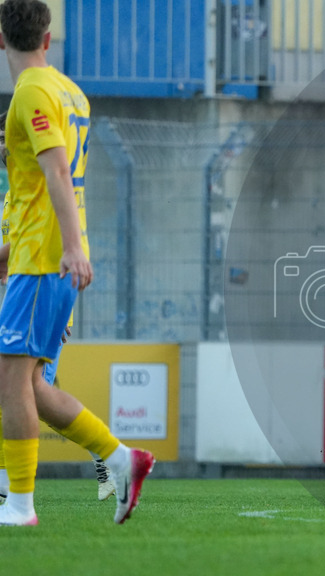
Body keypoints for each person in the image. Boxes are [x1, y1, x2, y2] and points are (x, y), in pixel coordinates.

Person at [0, 0, 153, 526]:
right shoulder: (71, 91)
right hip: (39, 256)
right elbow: (40, 189)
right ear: (48, 38)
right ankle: (120, 458)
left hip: (47, 260)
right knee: (33, 387)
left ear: (1, 41)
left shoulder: (33, 92)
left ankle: (18, 506)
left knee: (11, 377)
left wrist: (70, 249)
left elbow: (58, 174)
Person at [0, 114, 115, 504]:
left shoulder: (39, 184)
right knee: (26, 390)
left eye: (5, 137)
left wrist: (56, 313)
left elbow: (47, 243)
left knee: (26, 391)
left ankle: (110, 456)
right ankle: (108, 455)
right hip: (27, 300)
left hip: (43, 300)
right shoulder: (13, 193)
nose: (2, 145)